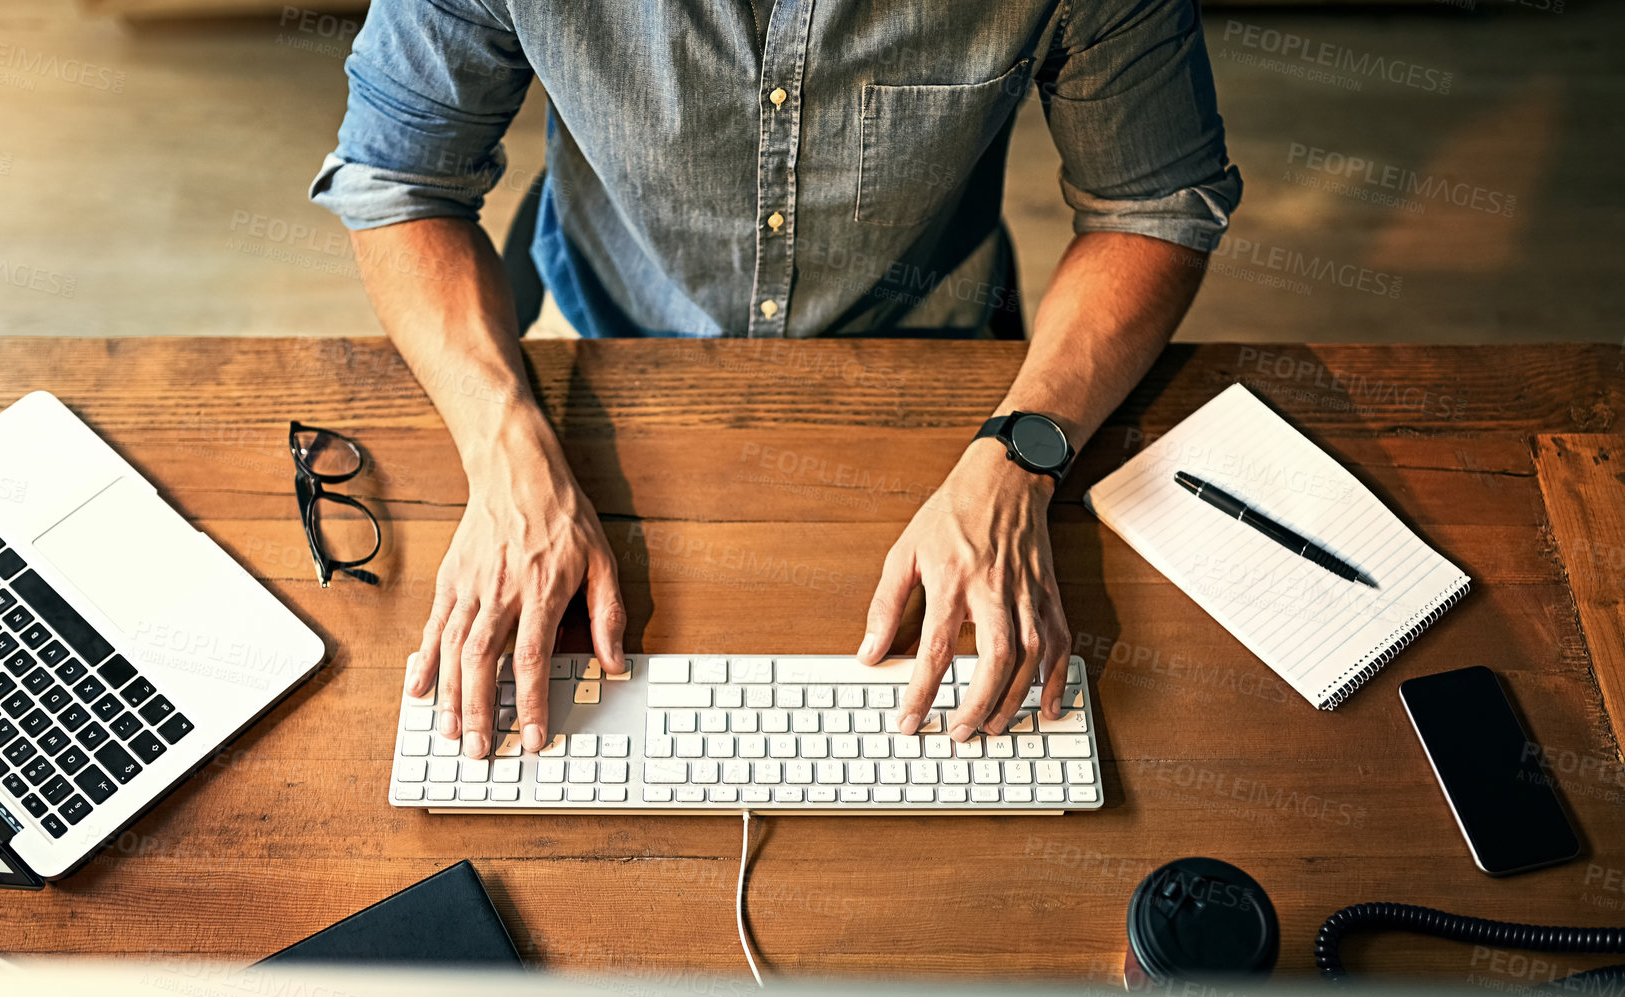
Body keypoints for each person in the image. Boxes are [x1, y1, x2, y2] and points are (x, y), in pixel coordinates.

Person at [309, 0, 1241, 761]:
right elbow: (400, 181)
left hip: (941, 366)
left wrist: (1021, 454)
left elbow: (1151, 205)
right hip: (606, 338)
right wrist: (502, 447)